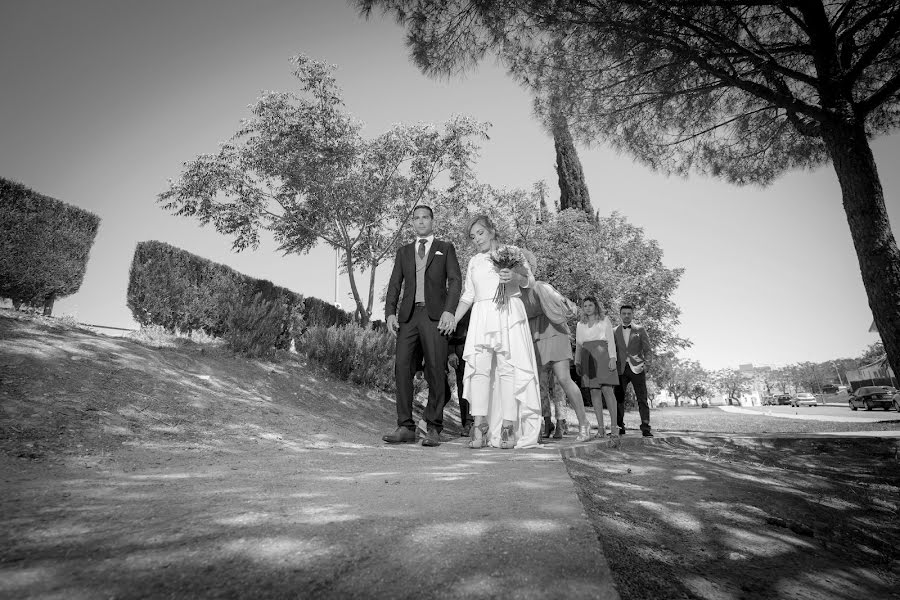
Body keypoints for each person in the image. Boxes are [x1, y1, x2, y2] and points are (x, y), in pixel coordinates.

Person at [451, 215, 542, 449]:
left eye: (480, 233)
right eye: (472, 237)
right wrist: (453, 318)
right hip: (481, 317)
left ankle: (508, 427)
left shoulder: (512, 252)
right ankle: (480, 425)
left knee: (506, 370)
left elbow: (529, 281)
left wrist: (514, 277)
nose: (476, 240)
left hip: (507, 313)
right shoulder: (473, 261)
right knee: (479, 370)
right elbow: (468, 295)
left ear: (491, 231)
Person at [382, 205, 462, 447]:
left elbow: (455, 280)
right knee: (402, 368)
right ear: (412, 223)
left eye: (425, 217)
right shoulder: (403, 251)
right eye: (416, 218)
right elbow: (395, 283)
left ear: (432, 221)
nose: (420, 222)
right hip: (408, 318)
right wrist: (389, 313)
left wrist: (449, 311)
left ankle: (434, 427)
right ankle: (405, 426)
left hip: (435, 316)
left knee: (437, 370)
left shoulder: (445, 248)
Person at [517, 252, 593, 443]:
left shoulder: (541, 286)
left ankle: (584, 424)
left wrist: (562, 305)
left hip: (554, 333)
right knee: (537, 386)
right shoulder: (514, 294)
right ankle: (543, 424)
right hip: (534, 338)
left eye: (522, 265)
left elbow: (568, 308)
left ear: (529, 268)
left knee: (564, 379)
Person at [575, 297, 620, 447]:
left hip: (603, 355)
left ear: (596, 306)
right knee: (594, 391)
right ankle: (601, 429)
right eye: (585, 306)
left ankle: (614, 428)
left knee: (607, 389)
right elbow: (579, 345)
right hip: (587, 357)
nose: (587, 308)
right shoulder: (580, 324)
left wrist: (613, 358)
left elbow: (611, 340)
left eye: (590, 305)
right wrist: (577, 361)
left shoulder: (604, 320)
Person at [613, 304, 654, 437]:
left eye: (629, 313)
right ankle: (619, 427)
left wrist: (647, 365)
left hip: (637, 368)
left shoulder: (640, 330)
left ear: (632, 315)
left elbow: (647, 350)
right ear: (620, 315)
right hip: (620, 369)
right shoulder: (614, 331)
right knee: (618, 399)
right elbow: (612, 351)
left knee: (642, 399)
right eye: (624, 313)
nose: (626, 316)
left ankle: (645, 427)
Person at [447, 311, 473, 436]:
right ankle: (467, 423)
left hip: (480, 349)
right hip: (460, 349)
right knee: (463, 385)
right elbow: (448, 331)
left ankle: (482, 422)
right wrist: (451, 352)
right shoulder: (457, 307)